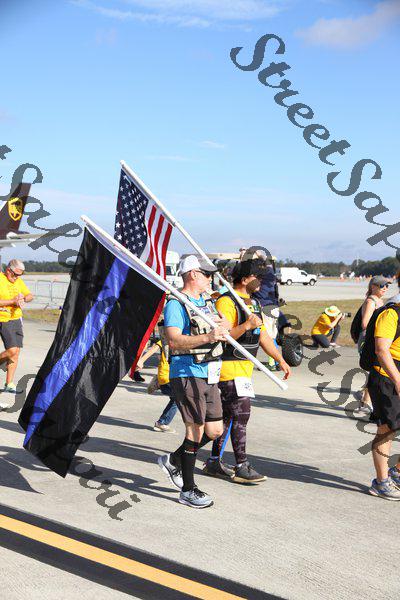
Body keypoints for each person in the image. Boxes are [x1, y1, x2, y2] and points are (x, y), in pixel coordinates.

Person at [203, 260, 291, 483]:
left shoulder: (254, 303)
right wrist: (246, 326)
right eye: (257, 277)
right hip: (228, 368)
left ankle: (213, 461)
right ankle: (241, 465)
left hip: (244, 369)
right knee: (241, 416)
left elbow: (263, 336)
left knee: (226, 418)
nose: (261, 281)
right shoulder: (226, 301)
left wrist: (280, 359)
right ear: (244, 279)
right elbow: (222, 335)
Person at [158, 255, 229, 508]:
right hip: (187, 372)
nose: (210, 279)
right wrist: (209, 337)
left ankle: (174, 460)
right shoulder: (176, 303)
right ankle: (188, 490)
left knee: (215, 430)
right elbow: (174, 340)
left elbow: (223, 323)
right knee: (195, 430)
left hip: (209, 372)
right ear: (193, 274)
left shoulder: (206, 301)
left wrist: (224, 323)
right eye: (207, 274)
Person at [367, 282, 400, 500]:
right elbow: (381, 350)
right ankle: (381, 482)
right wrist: (398, 380)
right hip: (386, 377)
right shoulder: (391, 314)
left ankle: (396, 472)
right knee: (386, 430)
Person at [354, 276, 390, 418]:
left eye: (387, 286)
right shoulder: (371, 301)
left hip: (375, 338)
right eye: (382, 286)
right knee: (374, 370)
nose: (385, 288)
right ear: (373, 286)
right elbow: (365, 323)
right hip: (368, 340)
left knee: (375, 370)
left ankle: (365, 397)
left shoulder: (380, 301)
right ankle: (365, 401)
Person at [136, 322, 178, 432]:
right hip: (167, 377)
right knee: (179, 399)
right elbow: (154, 348)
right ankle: (162, 423)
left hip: (171, 376)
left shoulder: (179, 338)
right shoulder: (165, 339)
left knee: (176, 399)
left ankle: (157, 381)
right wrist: (141, 361)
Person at [0, 259, 33, 395]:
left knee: (16, 352)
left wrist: (23, 299)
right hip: (3, 318)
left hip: (16, 319)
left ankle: (9, 384)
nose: (17, 277)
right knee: (12, 350)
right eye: (15, 274)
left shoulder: (18, 281)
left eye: (20, 275)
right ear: (8, 270)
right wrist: (12, 301)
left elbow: (30, 295)